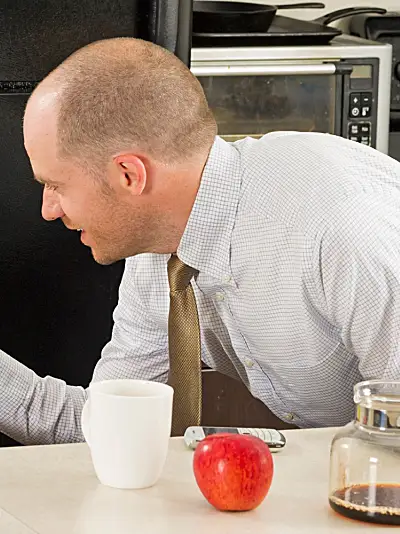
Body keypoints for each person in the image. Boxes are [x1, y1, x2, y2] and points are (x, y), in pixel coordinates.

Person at [1, 36, 400, 445]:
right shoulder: (160, 254)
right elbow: (107, 428)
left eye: (55, 185)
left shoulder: (341, 230)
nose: (48, 210)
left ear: (129, 175)